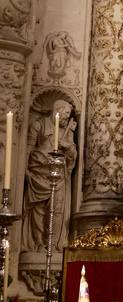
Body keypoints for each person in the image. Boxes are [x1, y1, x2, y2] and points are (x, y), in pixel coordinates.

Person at [22, 99, 77, 252]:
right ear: (57, 110)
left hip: (59, 174)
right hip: (38, 172)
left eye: (69, 115)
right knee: (38, 209)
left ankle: (51, 243)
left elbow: (72, 157)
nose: (67, 117)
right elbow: (28, 149)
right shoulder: (38, 125)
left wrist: (69, 148)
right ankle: (38, 242)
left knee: (57, 208)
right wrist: (25, 170)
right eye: (66, 113)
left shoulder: (67, 131)